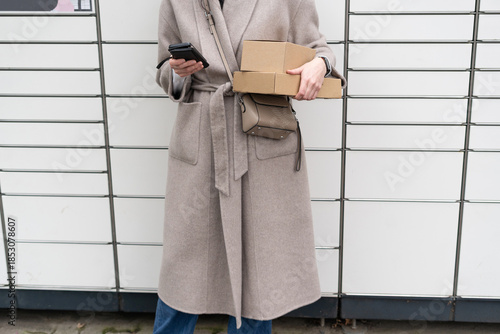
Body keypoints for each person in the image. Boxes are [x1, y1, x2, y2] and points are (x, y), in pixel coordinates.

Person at [153, 0, 346, 333]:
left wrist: (319, 66)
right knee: (184, 269)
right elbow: (162, 69)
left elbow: (320, 49)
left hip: (260, 138)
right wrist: (176, 70)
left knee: (258, 270)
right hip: (202, 138)